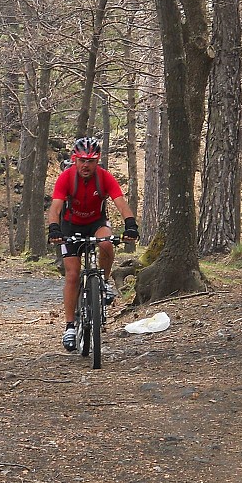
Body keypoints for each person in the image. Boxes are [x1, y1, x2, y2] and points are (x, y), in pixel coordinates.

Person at [47, 136, 139, 351]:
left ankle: (104, 283)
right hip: (70, 226)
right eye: (82, 160)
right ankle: (70, 327)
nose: (86, 165)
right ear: (74, 159)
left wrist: (131, 224)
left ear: (98, 161)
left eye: (91, 161)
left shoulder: (104, 178)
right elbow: (55, 208)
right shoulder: (66, 178)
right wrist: (54, 228)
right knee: (72, 275)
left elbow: (120, 203)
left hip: (96, 223)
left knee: (106, 243)